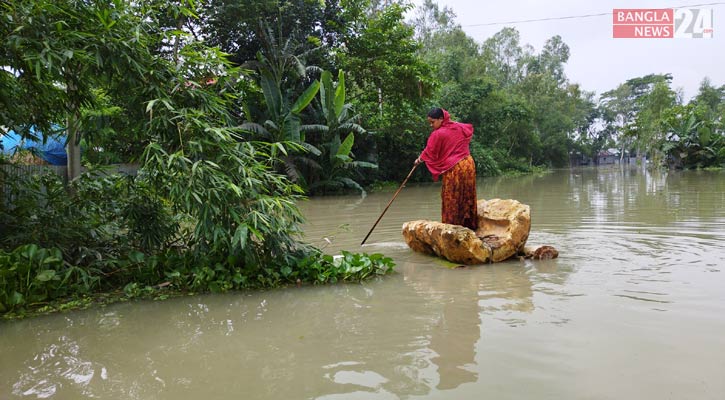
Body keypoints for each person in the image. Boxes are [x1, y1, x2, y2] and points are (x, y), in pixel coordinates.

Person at [415, 107, 478, 231]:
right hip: (468, 164)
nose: (431, 125)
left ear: (441, 119)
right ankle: (469, 226)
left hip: (455, 168)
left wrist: (419, 160)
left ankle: (452, 228)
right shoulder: (458, 126)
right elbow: (467, 134)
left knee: (451, 197)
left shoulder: (437, 134)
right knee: (467, 195)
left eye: (433, 122)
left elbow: (430, 152)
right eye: (430, 122)